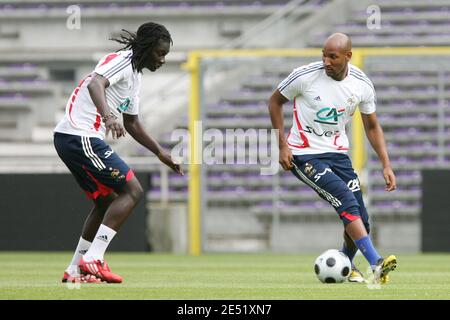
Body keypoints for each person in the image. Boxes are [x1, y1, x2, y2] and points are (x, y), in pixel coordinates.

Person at [54, 22, 183, 284]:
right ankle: (94, 258)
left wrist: (161, 153)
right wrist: (108, 115)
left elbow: (132, 123)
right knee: (132, 191)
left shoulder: (134, 77)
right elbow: (95, 85)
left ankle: (75, 269)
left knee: (105, 202)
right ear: (146, 48)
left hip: (73, 138)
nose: (162, 59)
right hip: (80, 136)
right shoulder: (122, 61)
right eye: (160, 53)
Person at [268, 33, 397, 284]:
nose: (326, 61)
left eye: (333, 57)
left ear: (348, 56)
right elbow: (274, 102)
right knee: (346, 200)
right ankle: (376, 263)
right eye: (324, 55)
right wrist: (282, 145)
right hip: (304, 154)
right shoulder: (305, 76)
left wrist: (386, 164)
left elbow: (372, 126)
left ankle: (347, 264)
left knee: (362, 216)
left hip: (338, 155)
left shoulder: (361, 84)